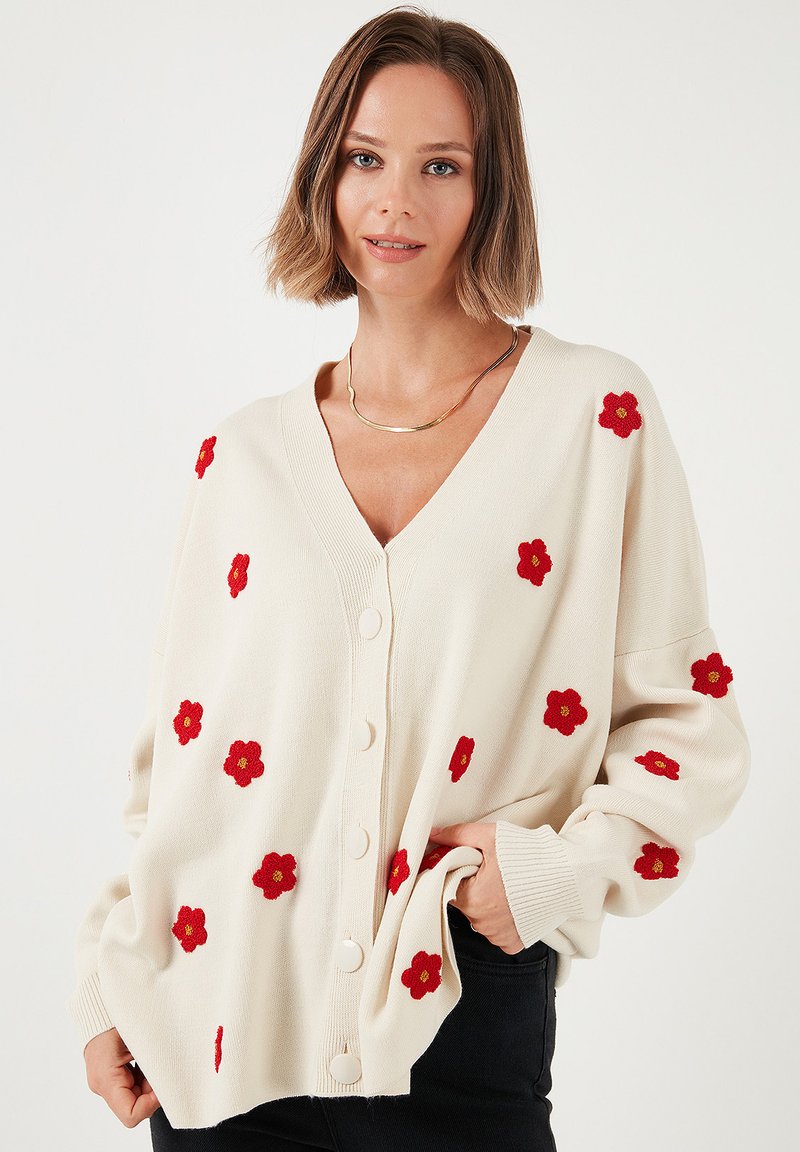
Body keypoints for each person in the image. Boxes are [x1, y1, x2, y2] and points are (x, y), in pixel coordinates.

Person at [66, 6, 751, 1150]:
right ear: (322, 178)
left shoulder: (592, 417)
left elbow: (688, 719)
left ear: (491, 190)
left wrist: (551, 872)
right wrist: (106, 975)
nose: (395, 202)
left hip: (459, 1014)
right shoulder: (241, 458)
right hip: (213, 1029)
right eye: (364, 160)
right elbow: (177, 773)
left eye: (441, 166)